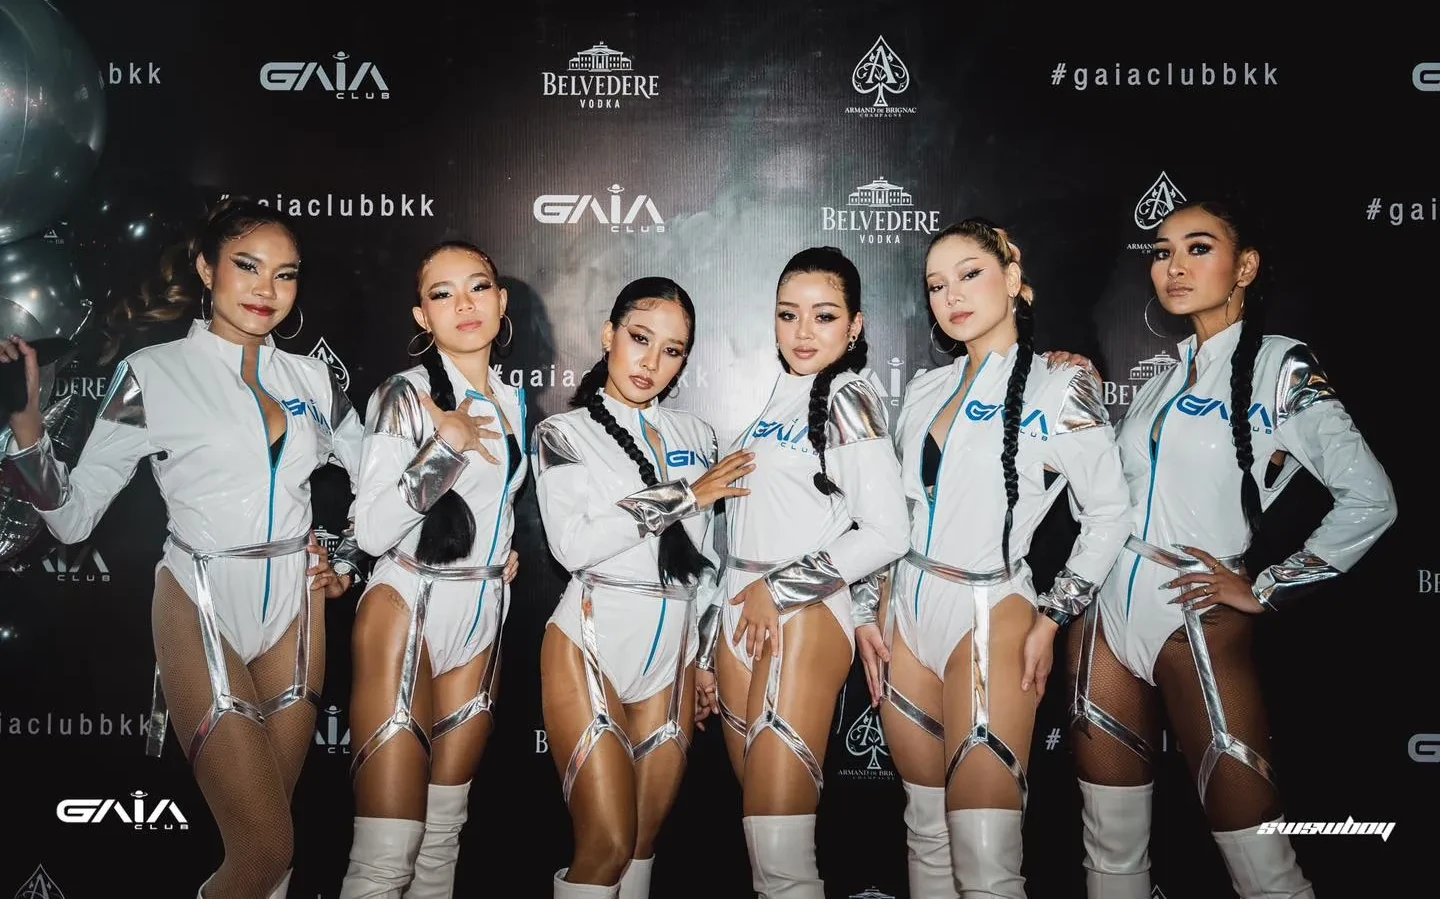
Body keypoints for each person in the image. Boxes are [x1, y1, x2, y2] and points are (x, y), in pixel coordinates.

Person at [0, 197, 364, 900]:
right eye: (247, 267)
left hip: (296, 610)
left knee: (272, 855)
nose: (265, 290)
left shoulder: (315, 379)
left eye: (284, 276)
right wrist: (25, 429)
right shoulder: (153, 373)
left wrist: (345, 558)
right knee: (264, 850)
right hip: (199, 599)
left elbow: (380, 488)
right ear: (206, 268)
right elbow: (72, 519)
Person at [1064, 198, 1396, 900]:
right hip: (1104, 624)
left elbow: (1372, 498)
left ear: (1244, 266)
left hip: (1196, 620)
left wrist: (1270, 586)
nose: (1174, 265)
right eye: (1161, 251)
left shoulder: (1282, 367)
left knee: (1263, 867)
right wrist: (1085, 415)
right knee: (1110, 856)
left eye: (1198, 247)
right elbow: (1105, 508)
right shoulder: (1159, 382)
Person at [871, 219, 1131, 900]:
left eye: (970, 273)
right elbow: (894, 520)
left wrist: (1053, 617)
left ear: (1013, 279)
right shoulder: (926, 390)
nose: (951, 294)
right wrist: (875, 610)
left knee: (986, 863)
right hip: (907, 618)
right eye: (936, 284)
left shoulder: (1059, 385)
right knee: (926, 835)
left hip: (992, 616)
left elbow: (1109, 514)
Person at [532, 276, 753, 900]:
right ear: (608, 336)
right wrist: (688, 493)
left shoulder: (701, 438)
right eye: (639, 338)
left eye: (673, 350)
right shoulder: (562, 435)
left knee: (639, 851)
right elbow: (573, 545)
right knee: (602, 844)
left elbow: (713, 564)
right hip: (590, 640)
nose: (652, 362)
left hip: (674, 659)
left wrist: (704, 659)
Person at [713, 247, 909, 900]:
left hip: (792, 617)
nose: (802, 332)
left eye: (823, 317)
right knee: (765, 853)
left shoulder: (850, 396)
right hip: (743, 618)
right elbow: (811, 514)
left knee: (781, 857)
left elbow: (887, 530)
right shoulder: (785, 391)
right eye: (788, 315)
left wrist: (782, 589)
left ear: (855, 325)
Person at [338, 241, 525, 900]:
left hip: (480, 622)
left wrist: (499, 550)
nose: (464, 305)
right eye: (443, 294)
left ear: (502, 304)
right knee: (387, 856)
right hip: (407, 611)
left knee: (442, 841)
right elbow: (372, 530)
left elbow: (493, 504)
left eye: (478, 288)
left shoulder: (514, 401)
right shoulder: (403, 396)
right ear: (422, 316)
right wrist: (443, 448)